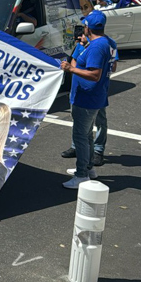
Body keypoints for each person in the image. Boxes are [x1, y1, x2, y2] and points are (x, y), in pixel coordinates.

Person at [60, 10, 117, 189]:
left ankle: (81, 175)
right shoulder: (103, 43)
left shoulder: (96, 47)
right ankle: (88, 167)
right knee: (86, 136)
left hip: (87, 98)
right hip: (91, 97)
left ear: (88, 27)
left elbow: (94, 75)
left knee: (80, 137)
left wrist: (71, 69)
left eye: (85, 25)